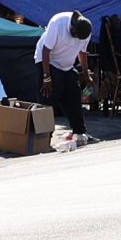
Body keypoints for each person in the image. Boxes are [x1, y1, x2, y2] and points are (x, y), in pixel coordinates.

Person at [35, 10, 97, 147]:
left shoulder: (85, 30)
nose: (75, 38)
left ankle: (79, 132)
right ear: (72, 27)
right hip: (47, 61)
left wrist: (86, 76)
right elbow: (46, 51)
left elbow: (82, 53)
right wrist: (47, 78)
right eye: (74, 35)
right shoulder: (58, 22)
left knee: (73, 95)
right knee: (48, 97)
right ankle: (43, 139)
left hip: (67, 65)